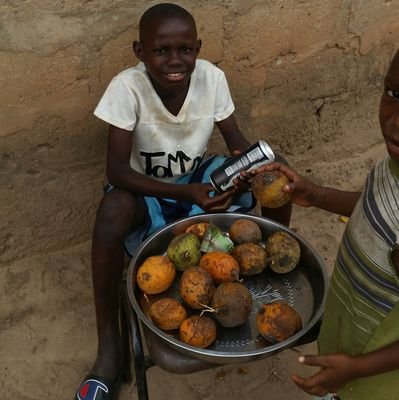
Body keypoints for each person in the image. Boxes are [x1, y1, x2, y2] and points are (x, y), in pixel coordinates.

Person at [73, 3, 291, 399]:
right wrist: (185, 193)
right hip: (148, 191)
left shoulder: (212, 78)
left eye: (186, 50)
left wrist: (250, 167)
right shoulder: (127, 88)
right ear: (141, 52)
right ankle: (110, 349)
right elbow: (117, 173)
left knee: (275, 171)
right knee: (112, 210)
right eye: (161, 51)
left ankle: (278, 270)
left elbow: (236, 143)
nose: (176, 61)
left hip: (198, 180)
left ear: (198, 48)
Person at [259, 49, 399, 400]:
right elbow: (376, 208)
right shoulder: (393, 166)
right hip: (350, 333)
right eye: (394, 94)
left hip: (375, 377)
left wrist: (357, 368)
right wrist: (319, 195)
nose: (395, 121)